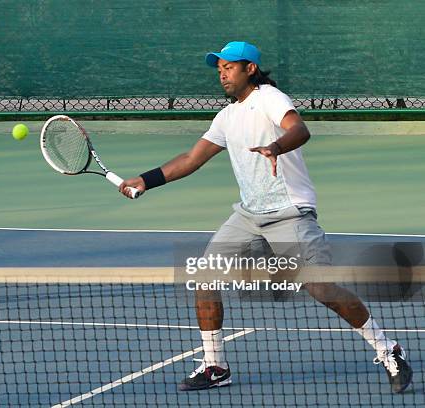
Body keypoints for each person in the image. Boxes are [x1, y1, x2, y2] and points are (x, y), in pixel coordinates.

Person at [120, 41, 413, 393]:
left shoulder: (269, 98)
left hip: (291, 213)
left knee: (320, 286)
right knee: (204, 278)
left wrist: (276, 147)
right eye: (219, 69)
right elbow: (191, 159)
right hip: (249, 216)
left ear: (251, 69)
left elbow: (299, 129)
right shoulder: (227, 117)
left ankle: (388, 349)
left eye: (229, 67)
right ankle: (215, 365)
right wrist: (146, 180)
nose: (223, 74)